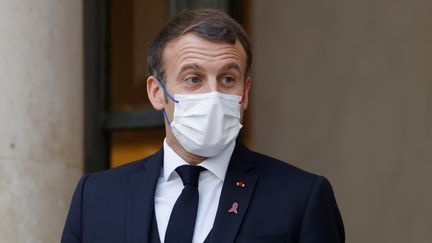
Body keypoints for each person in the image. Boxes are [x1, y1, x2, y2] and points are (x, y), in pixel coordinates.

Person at [61, 8, 344, 243]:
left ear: (244, 93)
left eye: (227, 79)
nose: (213, 94)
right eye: (194, 79)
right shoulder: (96, 197)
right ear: (157, 93)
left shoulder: (301, 196)